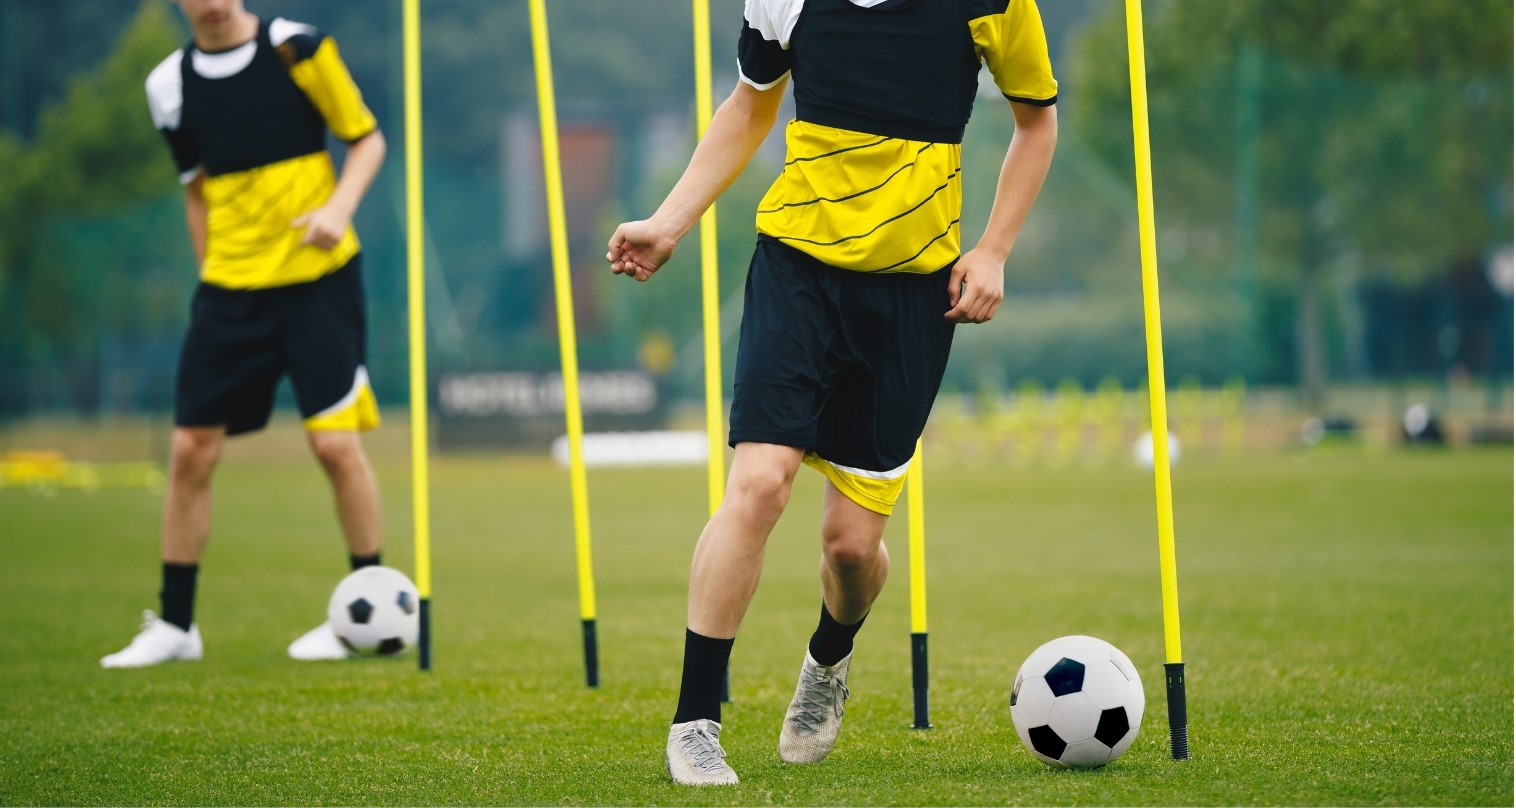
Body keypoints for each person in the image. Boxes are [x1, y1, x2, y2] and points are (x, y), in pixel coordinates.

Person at [607, 0, 1058, 785]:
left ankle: (828, 658)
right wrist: (670, 221)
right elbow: (750, 104)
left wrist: (993, 251)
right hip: (797, 271)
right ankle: (695, 722)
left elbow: (1036, 123)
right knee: (757, 485)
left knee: (851, 549)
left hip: (913, 297)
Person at [101, 0, 387, 668]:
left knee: (335, 447)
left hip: (319, 280)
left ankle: (361, 615)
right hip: (229, 293)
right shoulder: (166, 85)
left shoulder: (299, 49)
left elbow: (366, 137)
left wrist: (338, 209)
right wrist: (212, 280)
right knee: (189, 450)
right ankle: (176, 626)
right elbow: (194, 190)